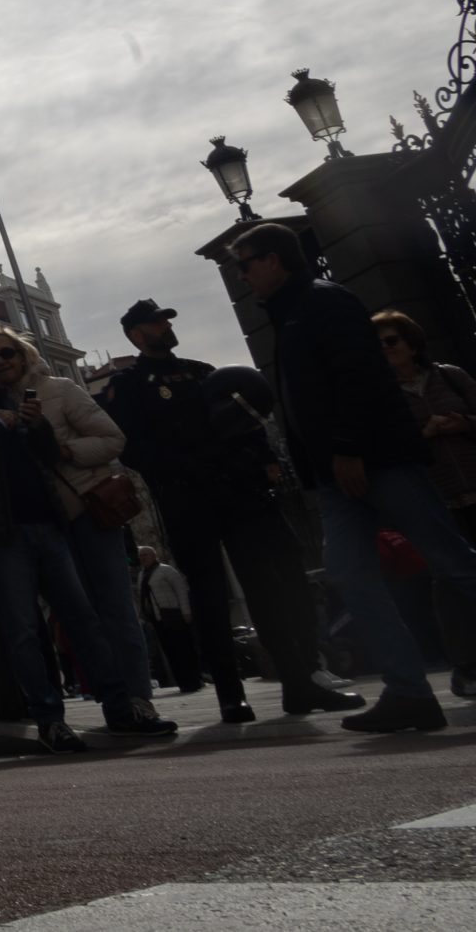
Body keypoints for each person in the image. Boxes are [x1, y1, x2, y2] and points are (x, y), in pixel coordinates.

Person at [239, 223, 476, 732]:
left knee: (451, 561)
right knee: (349, 575)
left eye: (246, 264)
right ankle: (409, 692)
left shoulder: (324, 300)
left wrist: (348, 447)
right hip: (334, 473)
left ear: (274, 260)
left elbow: (360, 377)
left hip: (376, 459)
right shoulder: (290, 312)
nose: (243, 276)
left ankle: (409, 691)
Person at [104, 297, 355, 724]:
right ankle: (230, 694)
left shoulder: (202, 372)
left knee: (267, 586)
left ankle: (298, 681)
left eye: (167, 321)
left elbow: (247, 419)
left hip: (237, 491)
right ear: (136, 334)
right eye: (157, 323)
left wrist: (262, 460)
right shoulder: (128, 386)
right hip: (186, 497)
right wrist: (182, 468)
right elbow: (131, 447)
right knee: (209, 595)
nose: (166, 327)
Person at [0, 332, 120, 751]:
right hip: (1, 534)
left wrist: (38, 425)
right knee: (23, 630)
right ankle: (49, 719)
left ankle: (120, 707)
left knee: (82, 619)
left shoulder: (8, 397)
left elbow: (45, 455)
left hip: (47, 521)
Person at [0, 328, 177, 738]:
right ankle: (114, 702)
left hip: (89, 510)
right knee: (78, 617)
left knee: (115, 607)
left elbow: (112, 439)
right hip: (46, 522)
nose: (0, 361)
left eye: (6, 352)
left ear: (24, 354)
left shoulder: (60, 389)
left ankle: (138, 700)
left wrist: (65, 451)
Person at [372, 309, 476, 699]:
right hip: (436, 500)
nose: (387, 349)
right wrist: (425, 434)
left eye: (392, 341)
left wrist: (466, 423)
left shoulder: (451, 376)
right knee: (449, 582)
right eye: (379, 345)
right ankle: (466, 664)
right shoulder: (384, 397)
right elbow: (388, 447)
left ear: (412, 344)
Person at [138, 547, 203, 693]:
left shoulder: (166, 570)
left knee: (183, 648)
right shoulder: (142, 574)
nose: (143, 558)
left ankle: (194, 680)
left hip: (173, 613)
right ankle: (182, 681)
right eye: (141, 556)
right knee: (170, 651)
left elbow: (181, 590)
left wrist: (186, 611)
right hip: (157, 618)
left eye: (146, 555)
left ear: (154, 556)